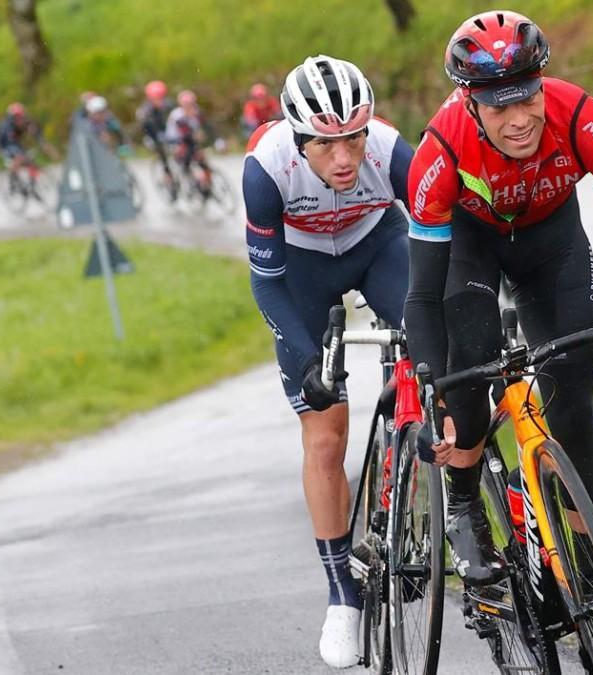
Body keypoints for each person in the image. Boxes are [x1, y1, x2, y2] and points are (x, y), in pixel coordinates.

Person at [403, 10, 593, 587]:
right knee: (467, 377)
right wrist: (432, 391)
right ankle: (466, 505)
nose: (519, 120)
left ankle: (590, 554)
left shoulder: (586, 122)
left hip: (553, 243)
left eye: (528, 99)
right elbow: (422, 295)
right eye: (500, 107)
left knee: (571, 392)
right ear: (470, 102)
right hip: (471, 249)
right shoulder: (440, 152)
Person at [243, 54, 414, 668]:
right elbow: (267, 285)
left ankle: (448, 499)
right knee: (325, 434)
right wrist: (312, 359)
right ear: (298, 138)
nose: (344, 159)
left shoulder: (393, 151)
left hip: (377, 245)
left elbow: (448, 237)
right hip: (303, 270)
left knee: (437, 342)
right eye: (326, 145)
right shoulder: (266, 168)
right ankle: (343, 596)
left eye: (354, 139)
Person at [165, 89, 218, 193]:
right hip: (177, 140)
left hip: (191, 140)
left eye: (192, 104)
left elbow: (207, 127)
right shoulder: (176, 116)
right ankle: (191, 182)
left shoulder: (197, 112)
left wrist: (215, 140)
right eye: (187, 105)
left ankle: (206, 183)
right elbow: (178, 134)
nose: (190, 107)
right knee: (185, 160)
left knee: (202, 160)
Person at [136, 80, 176, 196]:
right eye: (156, 98)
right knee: (162, 154)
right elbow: (146, 128)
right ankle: (168, 178)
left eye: (162, 97)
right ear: (150, 98)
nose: (160, 101)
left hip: (168, 131)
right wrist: (150, 139)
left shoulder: (170, 104)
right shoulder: (145, 110)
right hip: (154, 135)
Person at [0, 102, 56, 171]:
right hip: (6, 146)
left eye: (21, 116)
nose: (20, 119)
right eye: (17, 117)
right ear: (11, 118)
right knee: (19, 157)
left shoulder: (25, 122)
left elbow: (36, 133)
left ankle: (32, 179)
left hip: (17, 145)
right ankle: (13, 175)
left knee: (31, 160)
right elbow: (9, 142)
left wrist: (42, 143)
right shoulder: (6, 126)